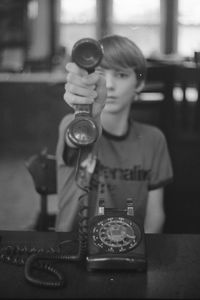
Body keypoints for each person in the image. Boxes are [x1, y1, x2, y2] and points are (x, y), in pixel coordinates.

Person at [55, 34, 173, 233]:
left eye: (121, 75)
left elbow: (155, 215)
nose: (109, 84)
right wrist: (88, 119)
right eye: (101, 74)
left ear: (139, 84)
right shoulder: (73, 124)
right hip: (72, 248)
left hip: (131, 250)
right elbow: (74, 137)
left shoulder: (154, 139)